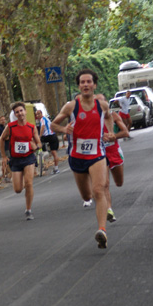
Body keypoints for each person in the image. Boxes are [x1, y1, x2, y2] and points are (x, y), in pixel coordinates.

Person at [51, 69, 115, 249]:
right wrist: (64, 130)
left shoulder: (102, 105)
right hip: (77, 157)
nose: (85, 85)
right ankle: (99, 219)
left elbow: (109, 117)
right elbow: (53, 124)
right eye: (82, 82)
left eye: (89, 82)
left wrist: (109, 132)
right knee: (87, 195)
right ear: (79, 86)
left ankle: (102, 230)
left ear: (94, 85)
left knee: (99, 190)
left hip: (97, 154)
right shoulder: (71, 106)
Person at [0, 102, 42, 220]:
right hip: (16, 160)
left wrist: (36, 146)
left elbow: (39, 143)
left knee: (29, 183)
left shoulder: (31, 127)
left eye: (21, 111)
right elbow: (1, 139)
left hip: (28, 158)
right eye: (17, 112)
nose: (20, 113)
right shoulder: (11, 126)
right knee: (18, 189)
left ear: (25, 112)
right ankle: (21, 180)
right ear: (15, 114)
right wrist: (3, 156)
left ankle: (28, 210)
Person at [96, 94, 130, 223]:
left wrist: (113, 136)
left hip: (114, 152)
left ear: (106, 103)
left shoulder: (114, 116)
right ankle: (109, 210)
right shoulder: (93, 119)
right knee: (105, 184)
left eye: (101, 102)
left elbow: (125, 132)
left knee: (119, 183)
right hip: (100, 154)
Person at [36, 110, 60, 174]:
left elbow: (42, 127)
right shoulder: (47, 119)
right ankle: (56, 168)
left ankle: (41, 155)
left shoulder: (42, 119)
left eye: (38, 114)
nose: (37, 115)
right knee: (54, 152)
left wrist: (39, 136)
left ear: (41, 113)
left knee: (36, 141)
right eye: (36, 114)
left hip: (47, 136)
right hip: (53, 136)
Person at [0, 115, 11, 181]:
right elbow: (4, 138)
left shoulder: (4, 127)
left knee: (5, 162)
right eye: (2, 120)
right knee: (6, 162)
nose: (3, 121)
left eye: (4, 119)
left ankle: (5, 175)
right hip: (4, 148)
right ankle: (6, 175)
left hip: (7, 146)